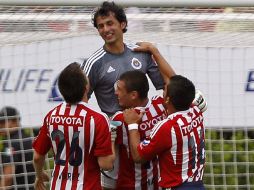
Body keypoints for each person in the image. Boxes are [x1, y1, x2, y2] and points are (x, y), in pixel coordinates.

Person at [81, 2, 165, 189]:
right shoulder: (94, 63)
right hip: (114, 137)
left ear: (123, 24)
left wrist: (154, 51)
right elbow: (81, 101)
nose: (105, 29)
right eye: (101, 26)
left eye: (110, 23)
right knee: (113, 185)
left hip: (142, 131)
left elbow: (164, 86)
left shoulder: (140, 53)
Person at [32, 62, 115, 190]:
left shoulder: (52, 116)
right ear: (86, 87)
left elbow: (38, 157)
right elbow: (106, 164)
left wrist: (39, 175)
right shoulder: (97, 119)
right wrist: (112, 140)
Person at [124, 75, 206, 190]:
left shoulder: (167, 127)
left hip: (178, 186)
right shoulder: (196, 111)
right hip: (198, 185)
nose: (162, 91)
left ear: (168, 99)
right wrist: (156, 55)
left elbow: (138, 156)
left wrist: (132, 125)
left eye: (165, 90)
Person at [0, 106, 35, 190]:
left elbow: (8, 177)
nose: (0, 125)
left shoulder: (11, 143)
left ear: (15, 121)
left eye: (2, 122)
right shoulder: (30, 139)